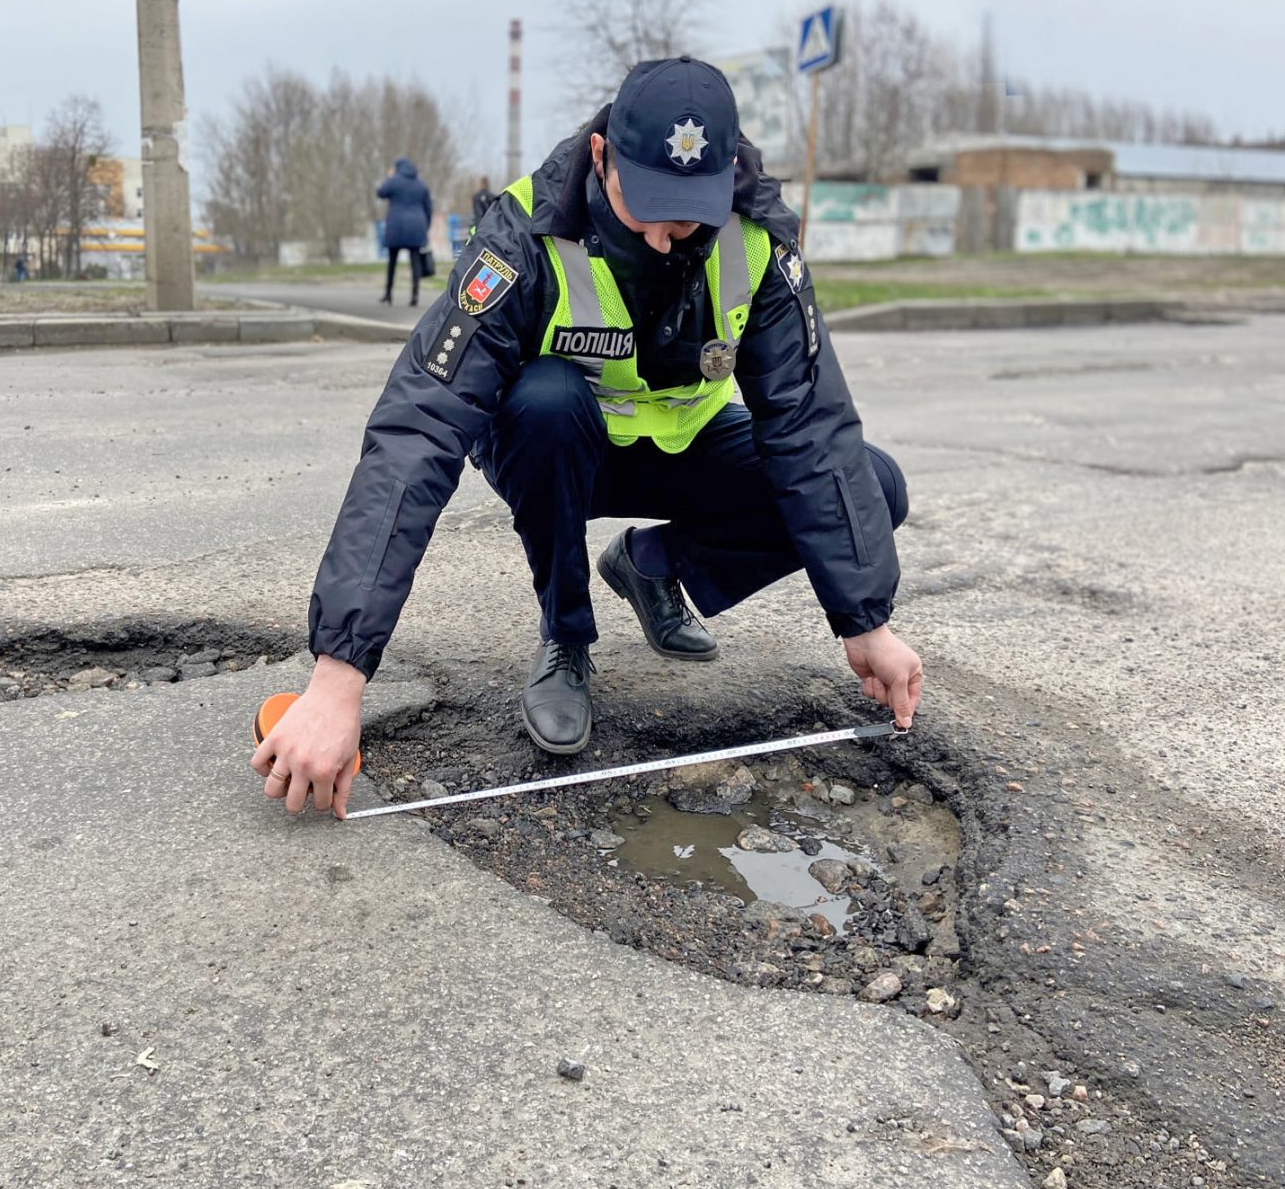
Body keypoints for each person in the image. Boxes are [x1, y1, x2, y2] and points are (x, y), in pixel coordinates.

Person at [254, 57, 923, 819]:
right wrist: (339, 677)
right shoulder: (523, 230)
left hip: (690, 447)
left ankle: (652, 564)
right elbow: (417, 430)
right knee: (544, 399)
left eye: (691, 212)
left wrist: (866, 619)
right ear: (602, 156)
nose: (672, 239)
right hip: (562, 447)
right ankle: (566, 636)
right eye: (650, 208)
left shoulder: (759, 239)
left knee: (874, 486)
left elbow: (811, 429)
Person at [377, 157, 433, 307]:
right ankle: (415, 296)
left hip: (396, 226)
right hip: (416, 226)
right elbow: (428, 208)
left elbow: (381, 193)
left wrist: (389, 177)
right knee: (415, 263)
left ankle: (388, 294)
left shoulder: (394, 181)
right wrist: (425, 226)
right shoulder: (421, 184)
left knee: (392, 262)